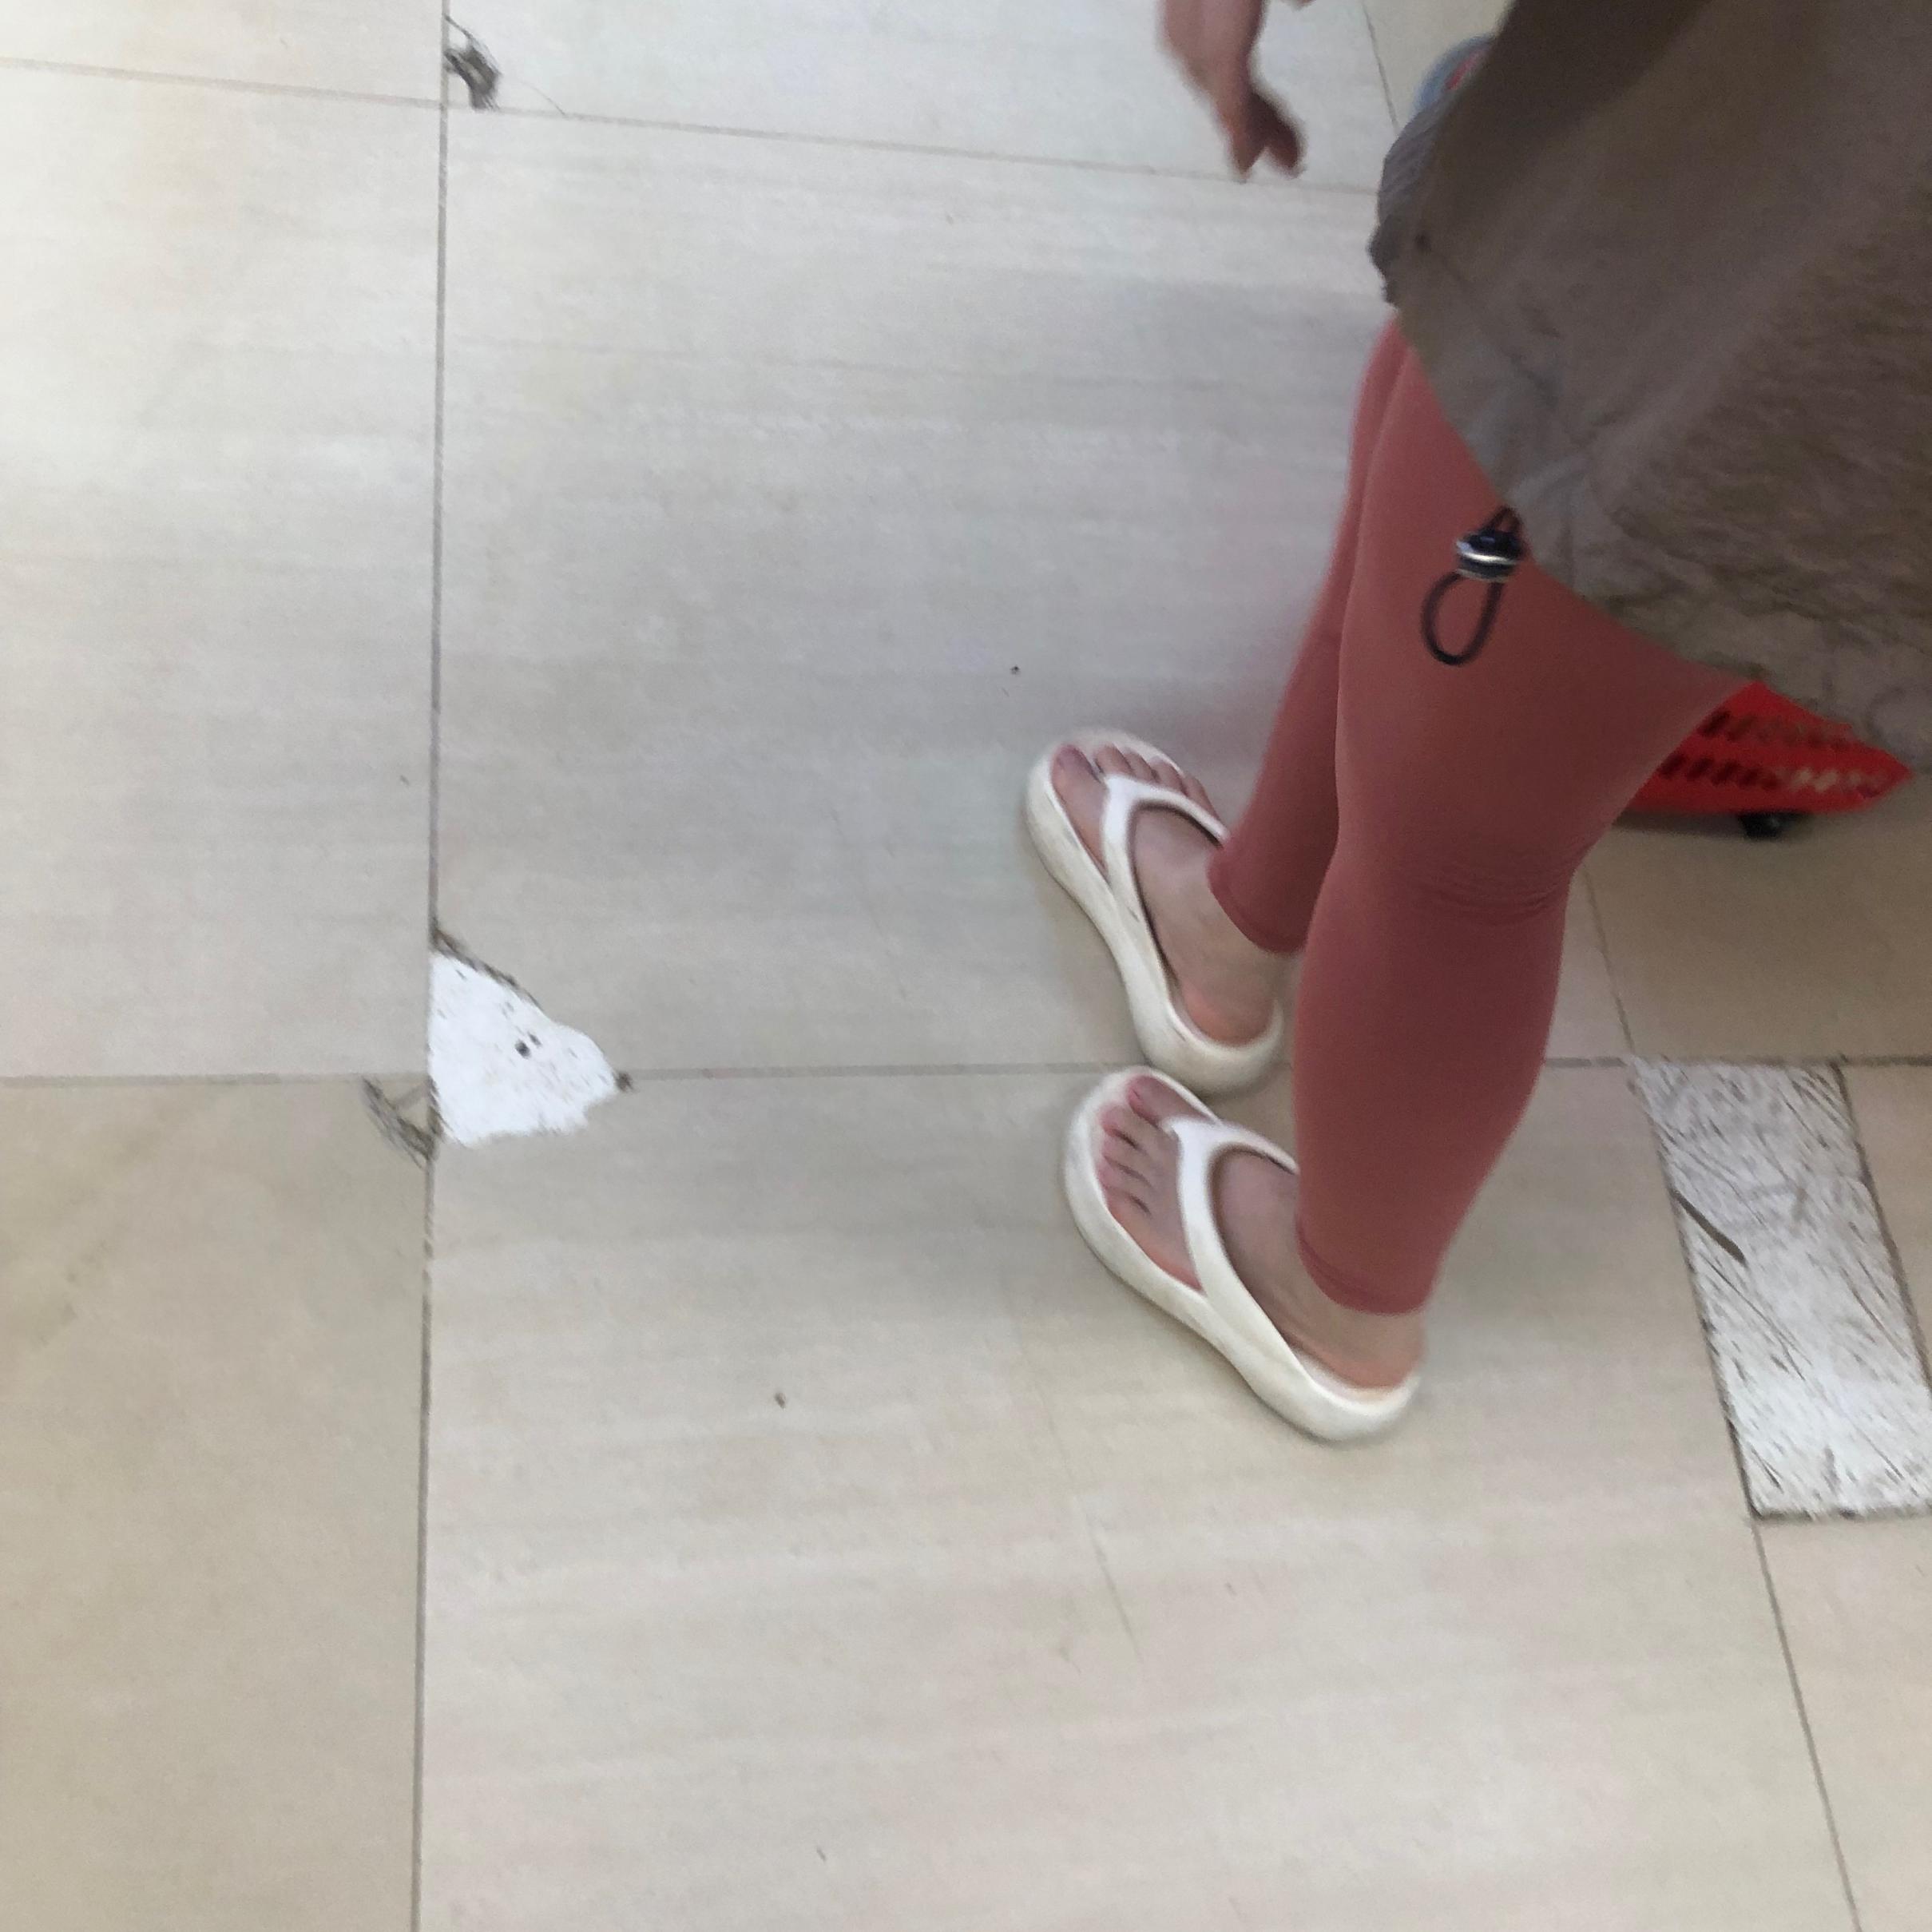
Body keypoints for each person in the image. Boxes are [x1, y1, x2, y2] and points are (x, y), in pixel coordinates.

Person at [1029, 0, 1932, 1440]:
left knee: (1461, 847)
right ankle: (1238, 924)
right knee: (1443, 433)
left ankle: (1341, 1298)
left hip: (1794, 237)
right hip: (1735, 160)